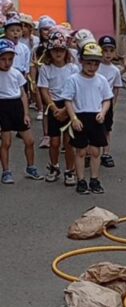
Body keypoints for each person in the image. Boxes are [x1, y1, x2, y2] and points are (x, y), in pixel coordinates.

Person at [64, 42, 113, 195]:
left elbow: (107, 99)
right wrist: (73, 118)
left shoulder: (101, 80)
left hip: (96, 117)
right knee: (80, 151)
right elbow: (68, 100)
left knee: (95, 151)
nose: (92, 67)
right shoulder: (73, 79)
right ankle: (81, 180)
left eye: (95, 63)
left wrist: (103, 113)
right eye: (88, 63)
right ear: (81, 62)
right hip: (80, 117)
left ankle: (94, 179)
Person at [37, 29, 78, 185]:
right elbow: (44, 90)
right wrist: (53, 108)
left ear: (66, 51)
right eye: (55, 50)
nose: (58, 53)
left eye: (61, 50)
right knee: (54, 142)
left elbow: (76, 90)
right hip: (53, 105)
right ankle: (54, 167)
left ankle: (70, 170)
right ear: (50, 52)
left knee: (69, 142)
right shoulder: (45, 69)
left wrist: (67, 110)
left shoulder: (73, 69)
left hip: (69, 105)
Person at [0, 38, 43, 184]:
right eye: (3, 59)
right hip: (2, 107)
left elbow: (23, 94)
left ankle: (31, 167)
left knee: (29, 141)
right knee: (6, 142)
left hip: (16, 106)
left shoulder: (16, 73)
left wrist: (25, 113)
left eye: (10, 59)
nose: (7, 62)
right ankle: (6, 171)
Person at [97, 35, 123, 168]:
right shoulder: (95, 66)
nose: (108, 54)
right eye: (104, 50)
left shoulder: (115, 71)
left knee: (107, 129)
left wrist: (113, 105)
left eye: (110, 51)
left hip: (107, 103)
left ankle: (105, 153)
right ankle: (91, 153)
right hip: (93, 102)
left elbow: (116, 89)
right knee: (93, 127)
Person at [31, 16, 57, 142]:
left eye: (50, 30)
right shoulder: (37, 49)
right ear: (40, 31)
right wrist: (33, 82)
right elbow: (33, 66)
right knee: (47, 108)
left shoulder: (58, 47)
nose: (47, 32)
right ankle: (46, 135)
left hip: (56, 81)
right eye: (44, 30)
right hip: (43, 82)